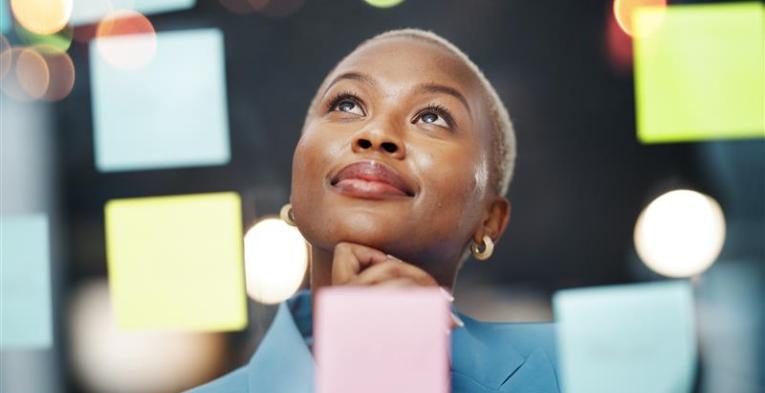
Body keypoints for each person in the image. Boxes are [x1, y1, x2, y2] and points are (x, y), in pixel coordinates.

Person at [187, 28, 560, 393]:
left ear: (489, 221)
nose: (376, 133)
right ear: (297, 186)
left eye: (432, 117)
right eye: (347, 105)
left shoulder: (580, 365)